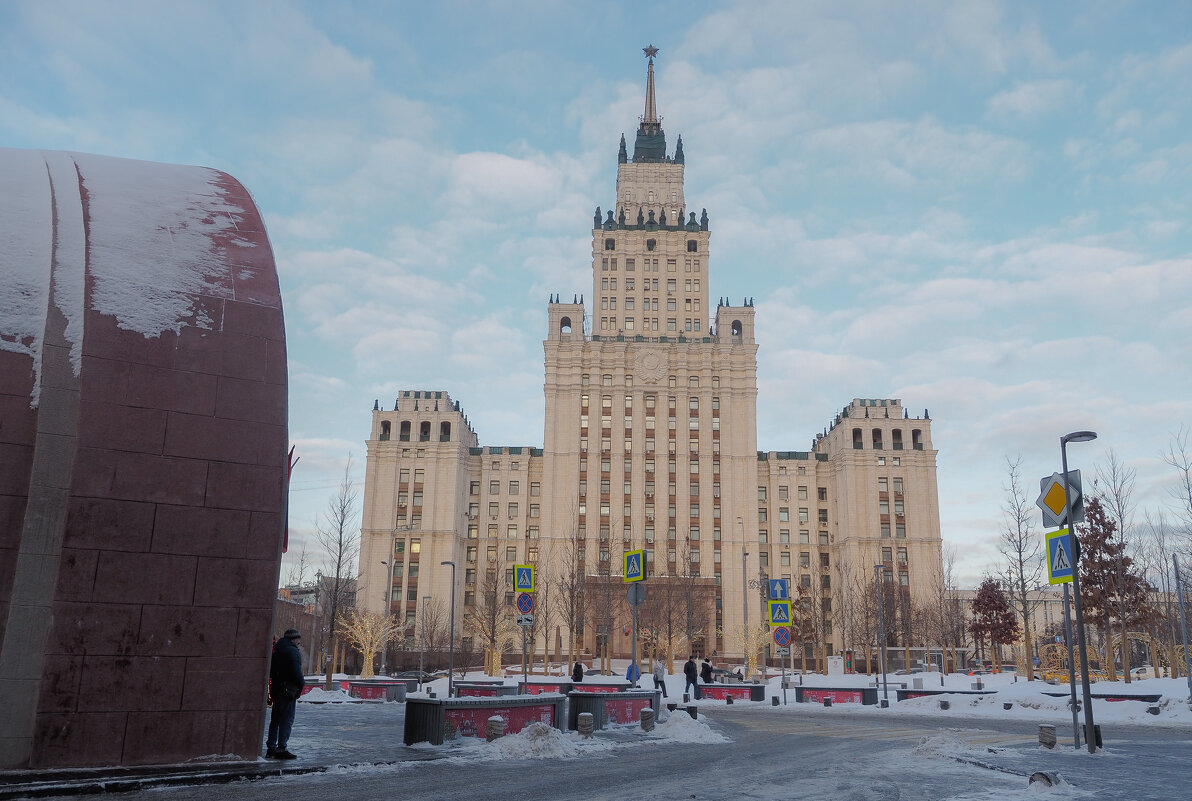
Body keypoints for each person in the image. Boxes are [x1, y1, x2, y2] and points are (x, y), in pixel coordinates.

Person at [266, 629, 304, 759]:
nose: (299, 641)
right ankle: (282, 747)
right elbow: (296, 672)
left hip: (276, 688)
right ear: (294, 639)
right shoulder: (293, 651)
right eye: (298, 639)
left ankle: (271, 748)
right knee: (286, 719)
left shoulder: (277, 649)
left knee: (275, 719)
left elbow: (271, 671)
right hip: (288, 690)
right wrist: (300, 685)